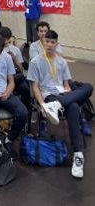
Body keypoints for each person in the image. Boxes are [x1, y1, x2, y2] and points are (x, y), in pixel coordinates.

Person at [28, 29, 93, 179]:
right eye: (47, 41)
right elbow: (35, 87)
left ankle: (78, 155)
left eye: (53, 42)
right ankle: (78, 152)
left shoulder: (62, 62)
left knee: (89, 87)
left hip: (61, 95)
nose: (49, 45)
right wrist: (42, 103)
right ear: (43, 42)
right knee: (75, 106)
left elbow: (66, 85)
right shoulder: (35, 62)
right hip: (48, 96)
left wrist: (68, 93)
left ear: (57, 44)